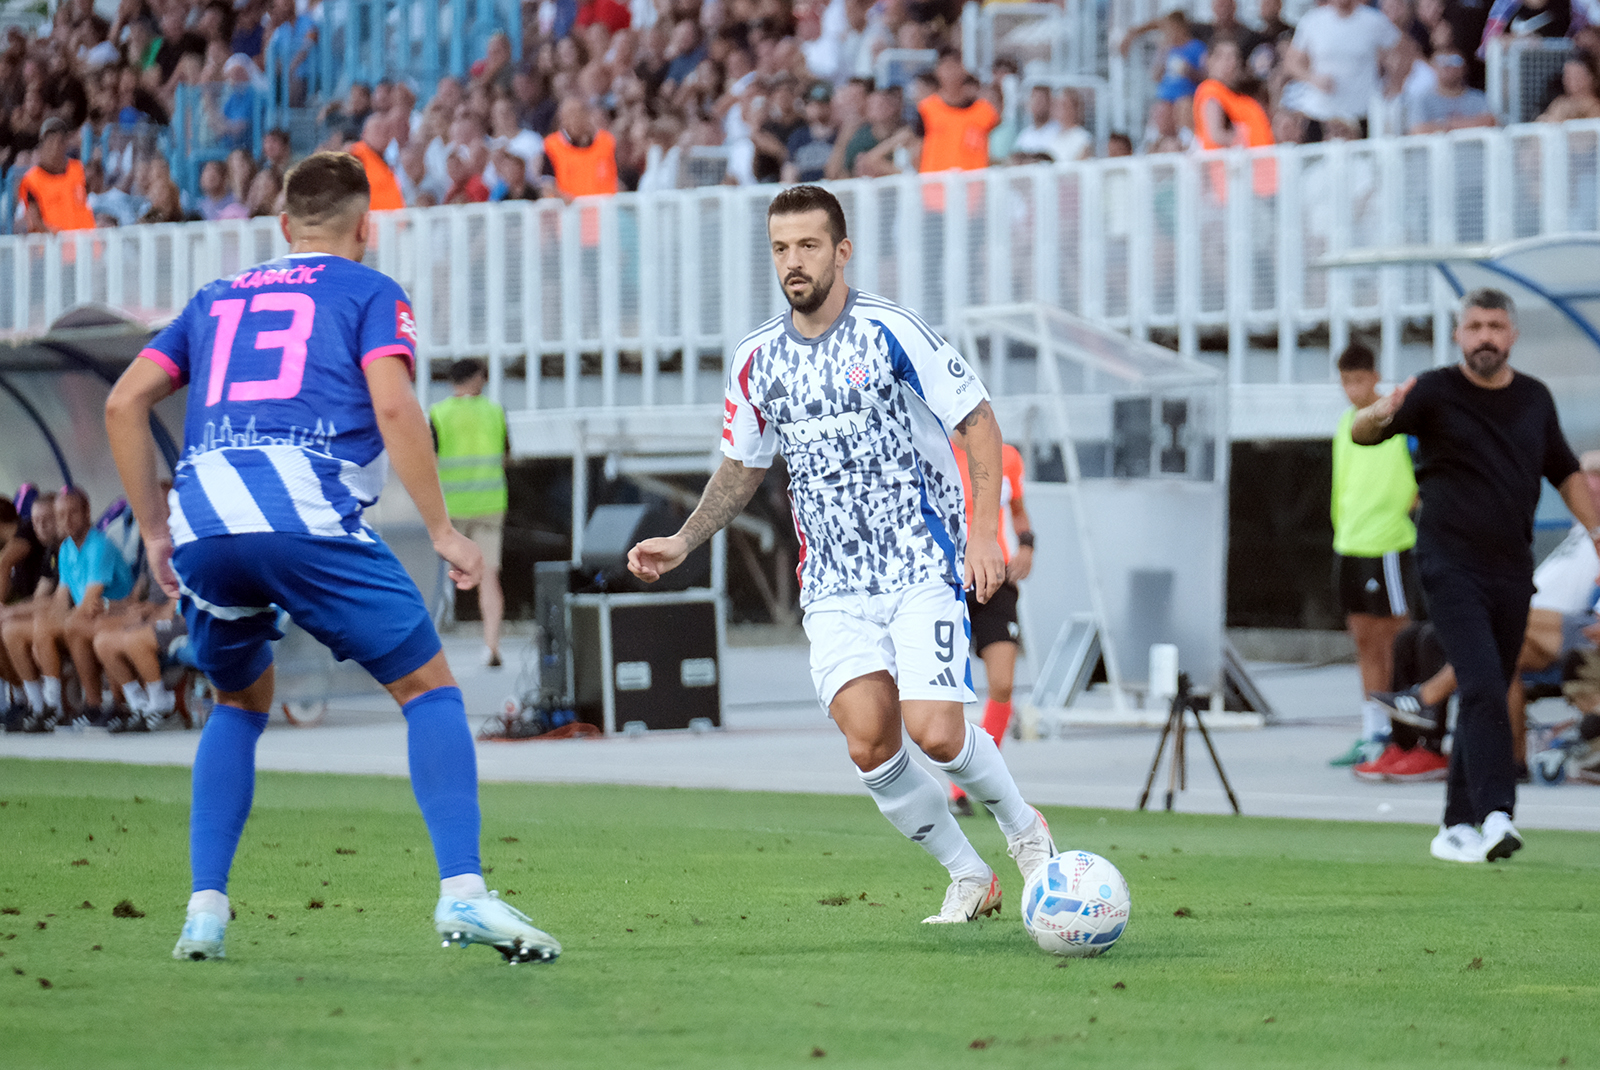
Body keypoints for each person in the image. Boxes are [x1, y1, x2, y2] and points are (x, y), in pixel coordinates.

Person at [103, 151, 560, 964]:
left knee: (239, 703)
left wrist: (155, 530)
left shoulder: (213, 300)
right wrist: (446, 531)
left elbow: (123, 401)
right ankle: (464, 893)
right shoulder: (371, 291)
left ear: (283, 227)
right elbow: (393, 401)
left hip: (206, 518)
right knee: (430, 691)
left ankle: (203, 912)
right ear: (365, 227)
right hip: (300, 507)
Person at [627, 185, 1055, 924]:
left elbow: (978, 421)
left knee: (938, 732)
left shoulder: (891, 330)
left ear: (841, 251)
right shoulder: (757, 359)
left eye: (808, 246)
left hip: (919, 561)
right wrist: (684, 538)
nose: (793, 262)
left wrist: (984, 531)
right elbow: (741, 465)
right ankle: (967, 874)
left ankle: (1025, 830)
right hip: (833, 584)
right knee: (870, 743)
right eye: (781, 249)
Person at [1352, 288, 1599, 864]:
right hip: (1448, 563)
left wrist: (1596, 533)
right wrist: (1377, 413)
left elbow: (1563, 471)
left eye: (1495, 326)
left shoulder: (1534, 398)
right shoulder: (1433, 391)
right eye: (1474, 326)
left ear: (1512, 335)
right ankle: (1496, 815)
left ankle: (1454, 827)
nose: (1485, 336)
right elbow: (1364, 434)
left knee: (1482, 688)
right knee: (1486, 682)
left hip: (1512, 570)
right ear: (1458, 334)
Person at [1327, 342, 1422, 769]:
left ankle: (1407, 733)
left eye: (1360, 380)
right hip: (1350, 545)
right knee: (1363, 640)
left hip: (1387, 545)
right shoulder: (1345, 423)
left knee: (1398, 640)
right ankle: (1372, 733)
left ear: (1375, 376)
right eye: (1346, 381)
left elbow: (1422, 474)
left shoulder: (1396, 420)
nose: (1353, 389)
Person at [946, 440, 1032, 817]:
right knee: (946, 686)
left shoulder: (1006, 456)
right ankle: (957, 787)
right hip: (945, 582)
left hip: (995, 582)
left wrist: (1028, 545)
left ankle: (978, 779)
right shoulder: (934, 449)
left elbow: (1018, 510)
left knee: (1002, 684)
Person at [2, 488, 134, 731]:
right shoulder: (66, 549)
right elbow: (61, 600)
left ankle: (83, 706)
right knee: (16, 630)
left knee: (70, 626)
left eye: (73, 513)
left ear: (87, 513)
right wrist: (40, 620)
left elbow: (89, 602)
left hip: (116, 615)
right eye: (61, 515)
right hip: (88, 618)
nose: (66, 520)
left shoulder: (99, 545)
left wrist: (50, 623)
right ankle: (42, 707)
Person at [430, 359, 509, 668]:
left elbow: (430, 461)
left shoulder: (439, 413)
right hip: (489, 505)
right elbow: (505, 456)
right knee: (489, 577)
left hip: (448, 509)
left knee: (437, 580)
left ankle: (429, 651)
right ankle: (491, 646)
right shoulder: (495, 412)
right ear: (479, 379)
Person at [1281, 0, 1401, 136]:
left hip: (1361, 112)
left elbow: (1402, 53)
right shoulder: (1312, 21)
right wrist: (1313, 79)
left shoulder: (1373, 21)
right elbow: (1292, 62)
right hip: (1321, 112)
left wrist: (1394, 84)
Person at [912, 50, 998, 173]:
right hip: (936, 184)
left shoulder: (985, 111)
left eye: (955, 66)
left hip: (973, 184)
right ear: (938, 71)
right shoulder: (926, 109)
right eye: (946, 66)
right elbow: (917, 151)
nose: (951, 72)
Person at [18, 116, 96, 233]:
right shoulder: (31, 180)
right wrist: (56, 236)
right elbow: (33, 222)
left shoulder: (79, 170)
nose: (54, 147)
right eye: (49, 141)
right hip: (53, 248)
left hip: (86, 246)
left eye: (58, 141)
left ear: (66, 144)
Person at [542, 98, 619, 200]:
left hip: (604, 210)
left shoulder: (607, 142)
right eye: (569, 115)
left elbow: (620, 178)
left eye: (578, 113)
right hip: (570, 212)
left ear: (587, 115)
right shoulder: (552, 146)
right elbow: (547, 185)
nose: (574, 119)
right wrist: (562, 197)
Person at [1407, 48, 1494, 134]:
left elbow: (1490, 122)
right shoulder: (1422, 99)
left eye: (1455, 60)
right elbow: (1418, 130)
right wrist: (1467, 124)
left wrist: (1442, 126)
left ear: (1465, 67)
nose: (1447, 66)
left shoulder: (1478, 98)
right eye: (1440, 60)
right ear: (1433, 66)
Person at [348, 112, 404, 211]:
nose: (382, 135)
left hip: (391, 221)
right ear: (364, 133)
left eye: (387, 131)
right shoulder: (356, 155)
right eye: (378, 129)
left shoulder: (388, 161)